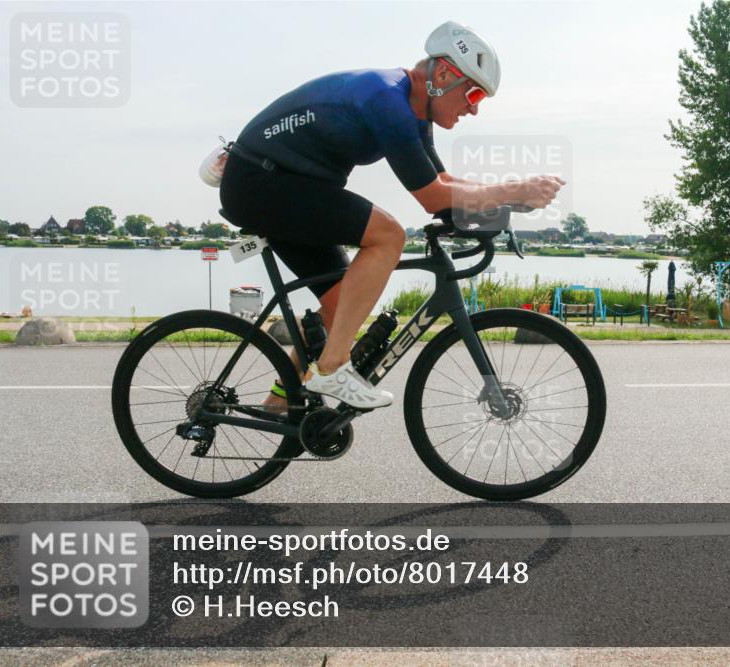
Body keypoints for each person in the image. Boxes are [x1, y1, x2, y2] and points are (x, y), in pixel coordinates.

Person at [219, 20, 563, 410]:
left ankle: (280, 404)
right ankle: (333, 368)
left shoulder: (414, 112)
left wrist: (505, 198)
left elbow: (443, 179)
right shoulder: (387, 100)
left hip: (288, 184)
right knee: (388, 235)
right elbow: (433, 197)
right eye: (474, 93)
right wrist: (515, 189)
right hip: (261, 182)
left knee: (339, 302)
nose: (473, 108)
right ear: (445, 74)